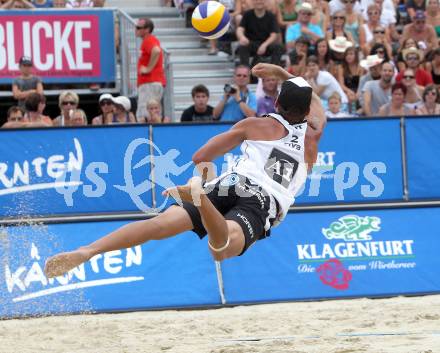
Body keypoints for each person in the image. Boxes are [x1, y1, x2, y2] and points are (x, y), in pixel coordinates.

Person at [43, 63, 327, 278]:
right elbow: (313, 101)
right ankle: (200, 198)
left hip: (230, 182)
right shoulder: (312, 136)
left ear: (276, 103)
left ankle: (88, 250)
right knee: (223, 248)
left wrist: (277, 72)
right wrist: (280, 72)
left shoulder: (253, 125)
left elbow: (201, 156)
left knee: (157, 226)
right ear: (305, 112)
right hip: (264, 198)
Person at [135, 18, 166, 121]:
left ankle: (145, 137)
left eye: (138, 28)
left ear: (147, 29)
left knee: (145, 115)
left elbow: (156, 51)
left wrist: (148, 68)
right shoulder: (148, 40)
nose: (136, 29)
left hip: (150, 82)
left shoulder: (148, 40)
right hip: (151, 82)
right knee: (152, 114)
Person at [236, 0, 284, 67]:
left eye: (261, 0)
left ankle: (274, 70)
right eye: (256, 0)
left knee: (278, 47)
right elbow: (240, 29)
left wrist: (264, 45)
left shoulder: (271, 16)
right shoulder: (247, 14)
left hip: (266, 45)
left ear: (266, 2)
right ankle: (245, 70)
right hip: (252, 44)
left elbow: (274, 35)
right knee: (243, 47)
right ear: (253, 2)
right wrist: (242, 37)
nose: (259, 2)